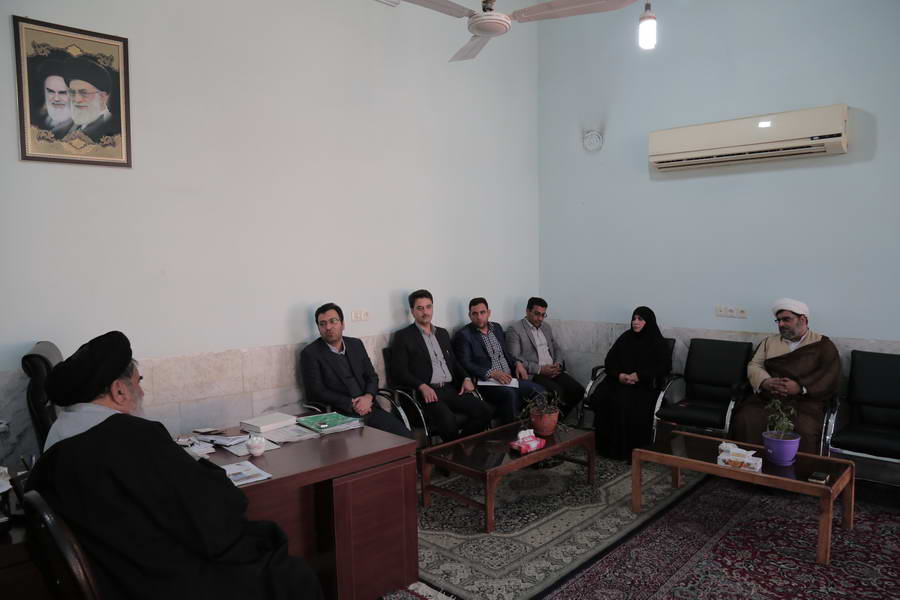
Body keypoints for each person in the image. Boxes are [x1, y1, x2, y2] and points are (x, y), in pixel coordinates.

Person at [27, 331, 323, 600]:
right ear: (119, 391)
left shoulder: (54, 446)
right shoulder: (133, 437)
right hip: (164, 582)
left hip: (118, 579)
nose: (142, 393)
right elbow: (211, 514)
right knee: (290, 575)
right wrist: (201, 468)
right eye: (139, 382)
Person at [732, 298, 840, 455]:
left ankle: (797, 470)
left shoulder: (822, 344)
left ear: (802, 319)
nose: (781, 324)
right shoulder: (769, 342)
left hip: (805, 402)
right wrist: (765, 381)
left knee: (805, 429)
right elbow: (754, 365)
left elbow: (829, 375)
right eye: (778, 320)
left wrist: (800, 388)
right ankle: (749, 465)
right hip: (769, 399)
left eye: (786, 319)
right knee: (745, 418)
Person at [390, 289, 493, 442]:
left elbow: (454, 362)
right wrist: (421, 386)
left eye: (428, 307)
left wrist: (465, 378)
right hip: (427, 394)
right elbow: (399, 371)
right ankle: (456, 452)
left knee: (485, 410)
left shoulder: (442, 333)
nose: (425, 312)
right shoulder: (403, 336)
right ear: (412, 311)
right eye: (420, 308)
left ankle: (460, 447)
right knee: (447, 419)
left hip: (450, 390)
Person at [300, 302, 412, 439]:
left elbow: (372, 376)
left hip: (370, 408)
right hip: (341, 415)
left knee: (406, 439)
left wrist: (368, 397)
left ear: (343, 324)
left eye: (333, 321)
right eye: (322, 324)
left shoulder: (355, 344)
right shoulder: (311, 353)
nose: (328, 327)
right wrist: (352, 404)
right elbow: (316, 391)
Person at [589, 307, 671, 460]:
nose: (635, 322)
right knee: (604, 398)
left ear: (648, 322)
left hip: (644, 385)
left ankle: (628, 450)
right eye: (634, 318)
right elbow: (609, 361)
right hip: (619, 381)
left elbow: (664, 367)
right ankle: (606, 448)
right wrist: (620, 376)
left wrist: (639, 376)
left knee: (625, 402)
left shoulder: (657, 342)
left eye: (640, 319)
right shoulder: (626, 337)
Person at [452, 297, 545, 424]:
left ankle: (534, 428)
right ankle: (512, 432)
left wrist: (517, 363)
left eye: (482, 312)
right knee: (510, 394)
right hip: (487, 383)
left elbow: (506, 353)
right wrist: (491, 373)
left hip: (509, 378)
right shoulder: (464, 335)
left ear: (489, 313)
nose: (479, 317)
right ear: (470, 315)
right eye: (475, 314)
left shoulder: (497, 328)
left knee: (540, 392)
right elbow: (465, 363)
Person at [506, 297, 584, 419]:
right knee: (556, 392)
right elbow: (514, 357)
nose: (540, 318)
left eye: (543, 315)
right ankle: (549, 423)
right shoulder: (515, 329)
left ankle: (556, 420)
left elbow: (556, 348)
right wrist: (540, 369)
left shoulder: (546, 327)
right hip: (535, 373)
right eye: (537, 314)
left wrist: (557, 364)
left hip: (553, 370)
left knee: (578, 390)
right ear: (527, 311)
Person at [62, 56, 120, 142]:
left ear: (102, 97)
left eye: (84, 93)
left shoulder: (115, 128)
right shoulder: (65, 128)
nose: (77, 100)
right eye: (72, 93)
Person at [32, 59, 73, 139]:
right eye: (51, 92)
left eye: (62, 93)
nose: (56, 99)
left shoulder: (81, 127)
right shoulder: (38, 118)